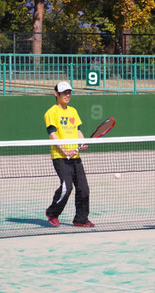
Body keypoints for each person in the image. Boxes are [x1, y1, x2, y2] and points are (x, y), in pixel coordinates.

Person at [44, 81, 94, 227]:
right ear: (56, 94)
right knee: (67, 187)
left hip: (75, 157)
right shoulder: (51, 112)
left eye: (69, 92)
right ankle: (52, 212)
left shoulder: (73, 111)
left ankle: (81, 218)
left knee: (83, 189)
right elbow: (52, 135)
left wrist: (82, 142)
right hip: (60, 157)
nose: (67, 95)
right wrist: (65, 151)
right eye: (64, 92)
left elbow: (77, 130)